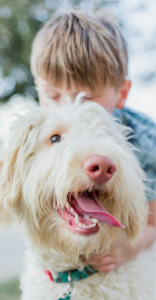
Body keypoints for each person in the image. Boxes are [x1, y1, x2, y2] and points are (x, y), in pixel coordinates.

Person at [30, 9, 156, 273]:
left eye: (86, 98)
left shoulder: (145, 140)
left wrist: (132, 246)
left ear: (121, 93)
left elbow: (153, 221)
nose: (69, 106)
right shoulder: (38, 134)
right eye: (53, 95)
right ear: (38, 87)